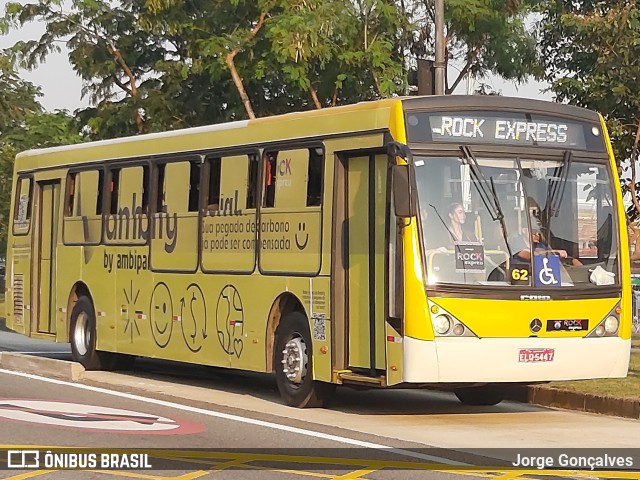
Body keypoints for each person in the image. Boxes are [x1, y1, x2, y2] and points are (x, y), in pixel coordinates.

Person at [511, 224, 582, 266]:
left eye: (539, 232)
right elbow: (531, 255)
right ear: (524, 230)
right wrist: (554, 252)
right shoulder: (515, 243)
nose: (537, 235)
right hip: (522, 281)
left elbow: (548, 254)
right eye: (534, 231)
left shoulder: (540, 246)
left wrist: (572, 260)